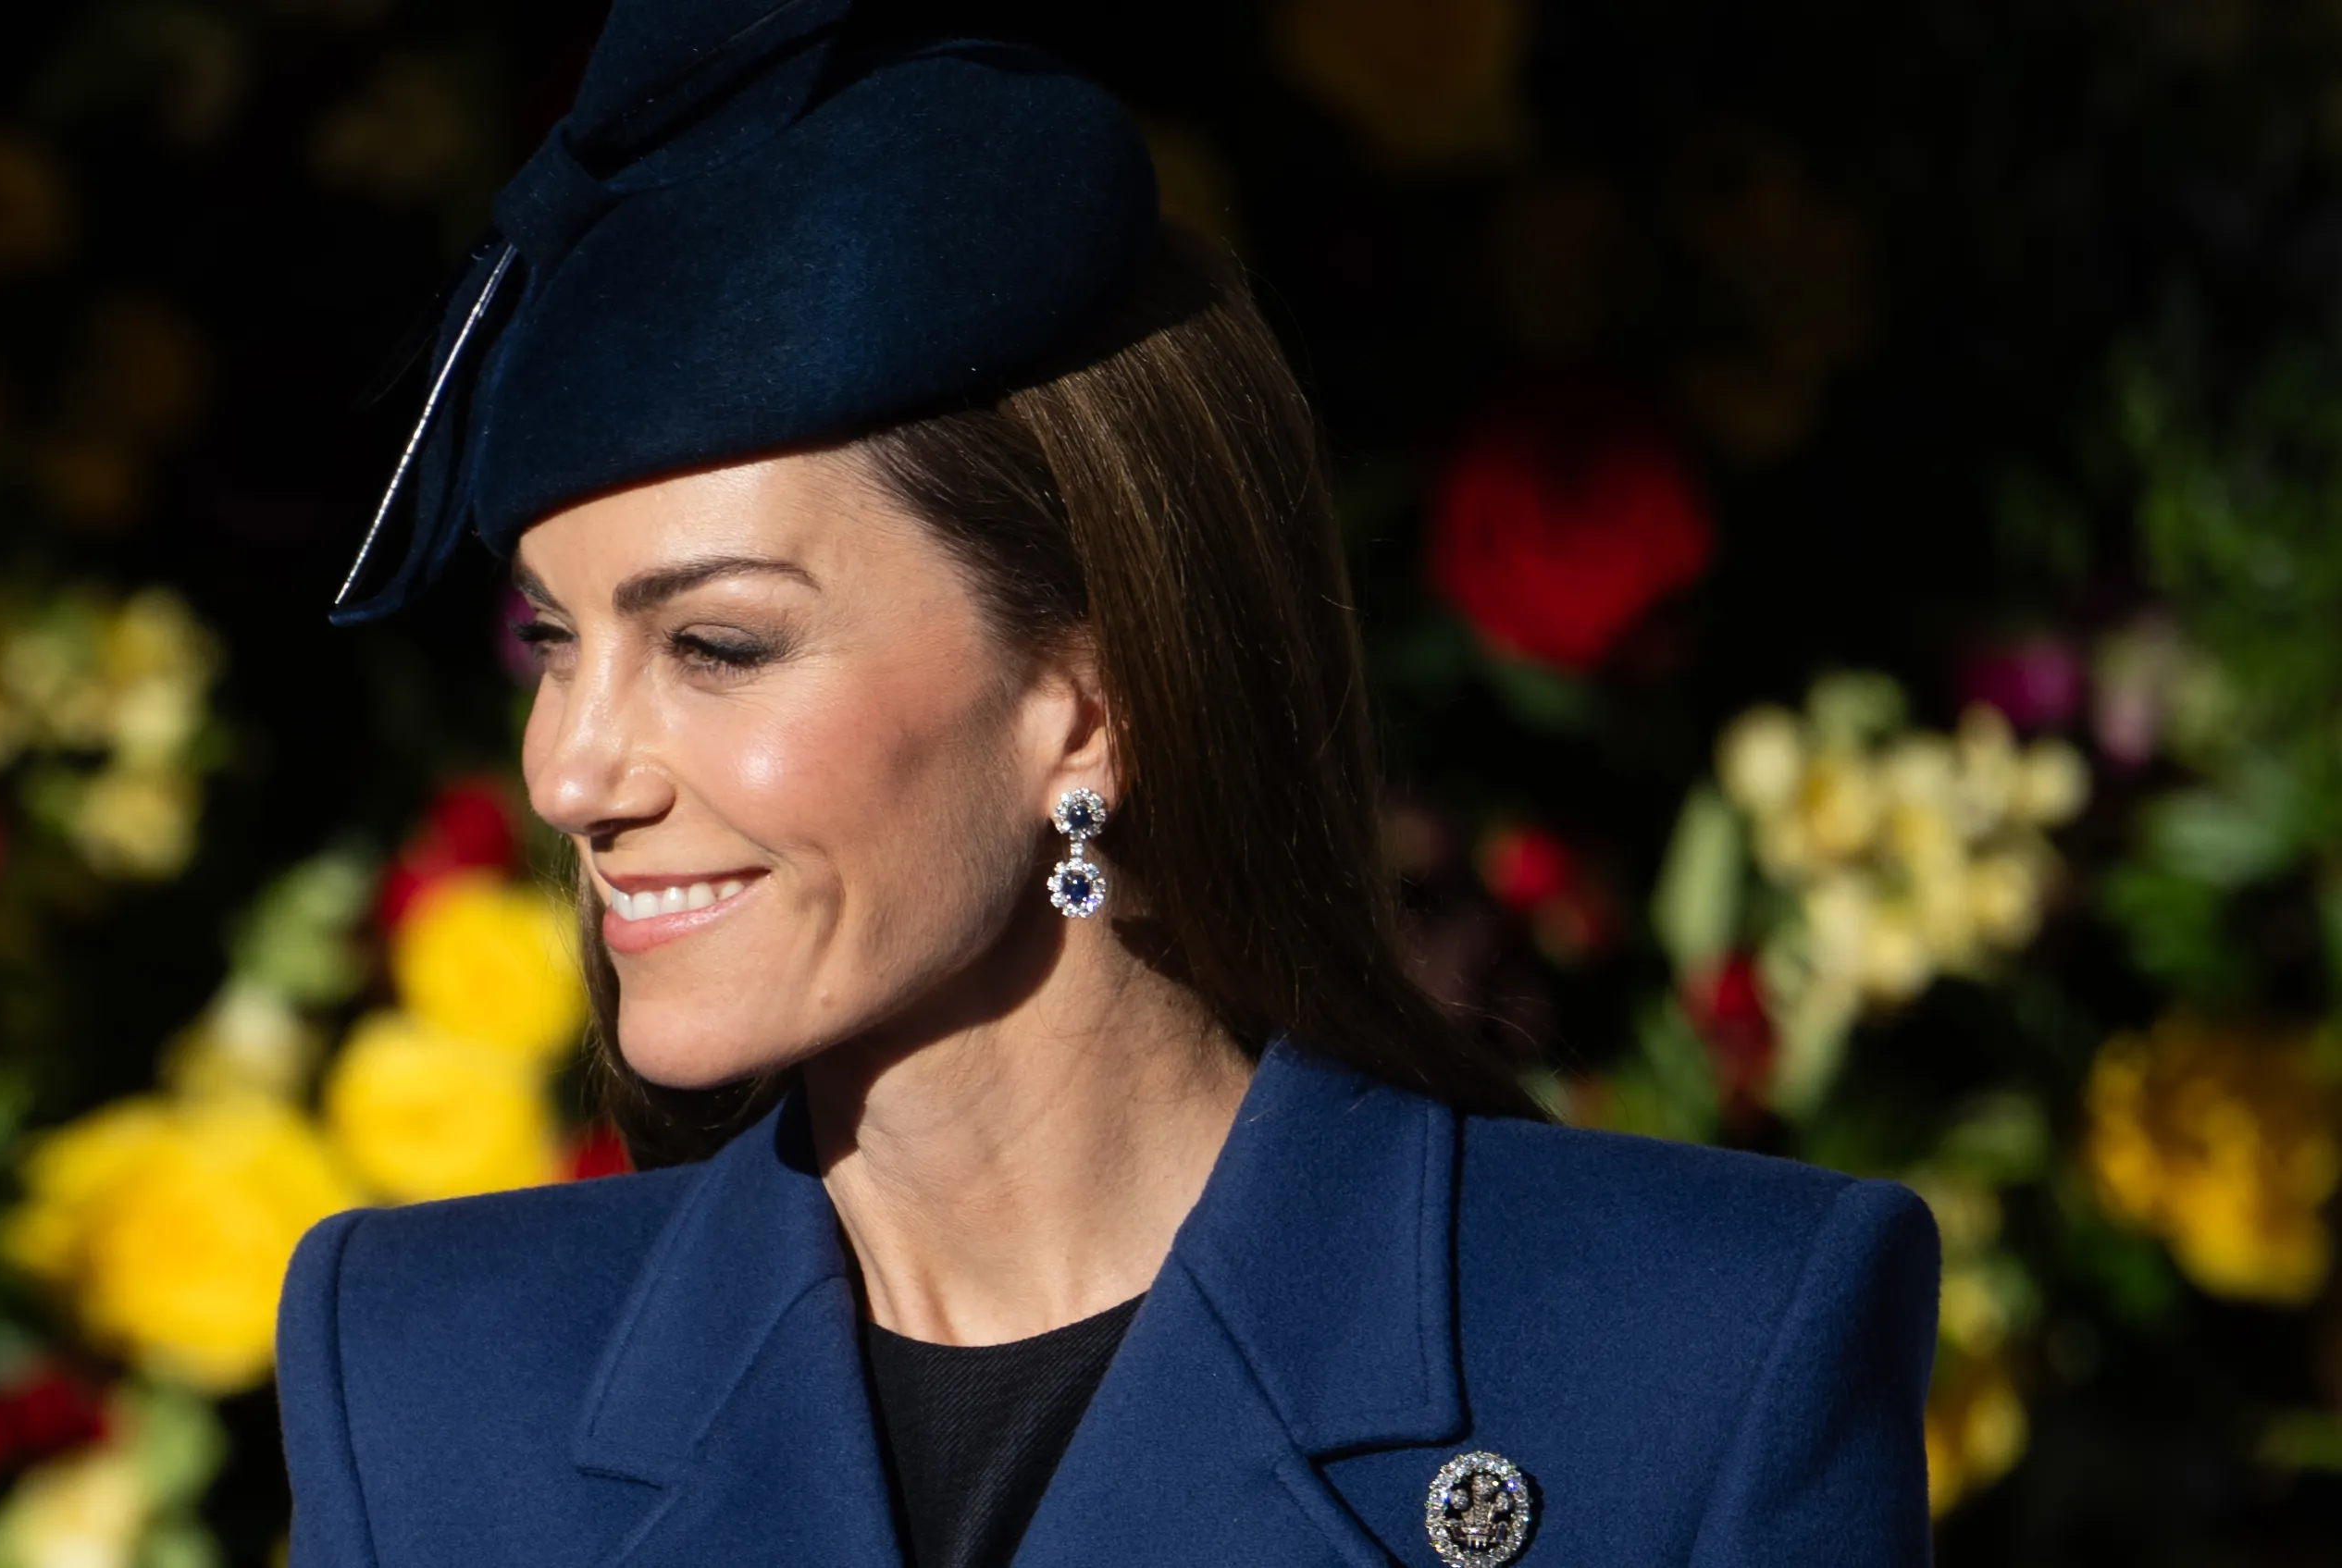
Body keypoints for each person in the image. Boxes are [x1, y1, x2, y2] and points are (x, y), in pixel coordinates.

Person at [277, 3, 1939, 1565]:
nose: (566, 769)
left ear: (1090, 697)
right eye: (553, 641)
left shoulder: (1701, 1353)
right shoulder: (430, 1382)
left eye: (714, 644)